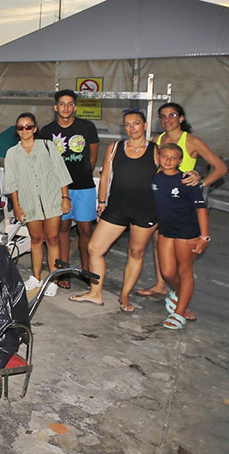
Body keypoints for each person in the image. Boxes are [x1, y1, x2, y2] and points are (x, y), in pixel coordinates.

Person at [138, 102, 226, 314]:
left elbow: (221, 168)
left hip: (183, 206)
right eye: (163, 116)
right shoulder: (157, 141)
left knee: (182, 263)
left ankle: (181, 299)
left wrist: (200, 182)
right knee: (159, 245)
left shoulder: (192, 141)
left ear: (181, 118)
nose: (167, 120)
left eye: (172, 115)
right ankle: (161, 285)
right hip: (161, 203)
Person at [69, 110, 158, 312]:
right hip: (117, 206)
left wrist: (193, 174)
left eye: (136, 123)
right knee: (94, 248)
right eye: (127, 124)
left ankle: (124, 295)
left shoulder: (156, 151)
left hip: (145, 209)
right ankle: (95, 293)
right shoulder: (115, 148)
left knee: (136, 252)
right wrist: (101, 203)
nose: (131, 128)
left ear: (145, 125)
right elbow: (105, 177)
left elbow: (171, 171)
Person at [3, 113, 72, 296]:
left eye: (28, 126)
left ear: (35, 128)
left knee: (52, 239)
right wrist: (17, 207)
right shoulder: (12, 153)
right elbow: (11, 183)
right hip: (29, 202)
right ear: (17, 131)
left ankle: (53, 280)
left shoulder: (48, 147)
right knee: (35, 239)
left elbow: (61, 172)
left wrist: (65, 197)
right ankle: (35, 277)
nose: (24, 130)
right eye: (20, 127)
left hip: (52, 200)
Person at [38, 90, 99, 289]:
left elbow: (92, 156)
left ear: (75, 107)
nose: (66, 107)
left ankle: (86, 269)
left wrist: (83, 174)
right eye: (62, 104)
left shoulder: (87, 127)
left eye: (70, 104)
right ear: (56, 107)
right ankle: (63, 271)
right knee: (63, 229)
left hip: (84, 187)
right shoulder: (47, 131)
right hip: (58, 189)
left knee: (85, 230)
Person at [151, 143, 210, 330]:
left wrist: (204, 237)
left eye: (173, 158)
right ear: (158, 157)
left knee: (185, 271)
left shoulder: (187, 181)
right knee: (168, 272)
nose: (168, 161)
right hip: (166, 231)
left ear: (180, 161)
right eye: (164, 156)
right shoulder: (155, 178)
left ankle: (180, 312)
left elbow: (201, 209)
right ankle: (180, 295)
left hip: (187, 233)